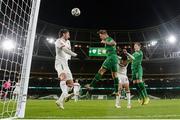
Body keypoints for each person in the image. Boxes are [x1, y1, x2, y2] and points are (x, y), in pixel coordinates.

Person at [86, 30, 119, 101]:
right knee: (114, 75)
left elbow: (114, 43)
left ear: (104, 34)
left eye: (100, 36)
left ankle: (91, 86)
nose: (100, 38)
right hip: (114, 58)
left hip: (111, 57)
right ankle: (117, 91)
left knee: (101, 70)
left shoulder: (108, 39)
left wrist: (105, 42)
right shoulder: (108, 39)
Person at [55, 29, 78, 109]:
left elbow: (68, 51)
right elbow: (64, 49)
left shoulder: (68, 42)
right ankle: (66, 94)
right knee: (63, 77)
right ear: (64, 34)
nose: (69, 35)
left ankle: (59, 101)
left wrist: (71, 56)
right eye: (68, 34)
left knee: (71, 85)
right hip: (60, 62)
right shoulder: (58, 41)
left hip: (66, 64)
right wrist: (75, 55)